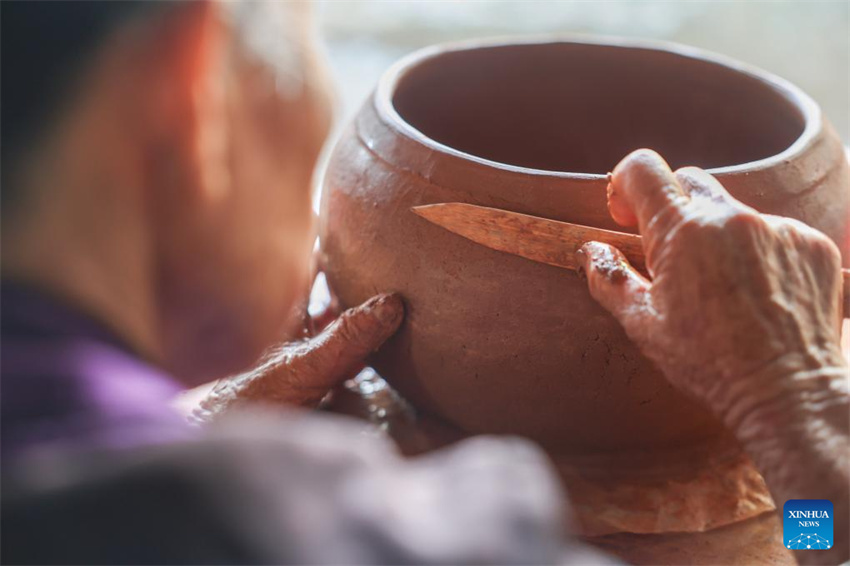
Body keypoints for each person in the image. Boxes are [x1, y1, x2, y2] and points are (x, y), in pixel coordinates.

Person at [1, 1, 847, 564]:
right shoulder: (372, 539)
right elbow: (827, 540)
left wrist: (156, 429)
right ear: (190, 92)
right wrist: (797, 409)